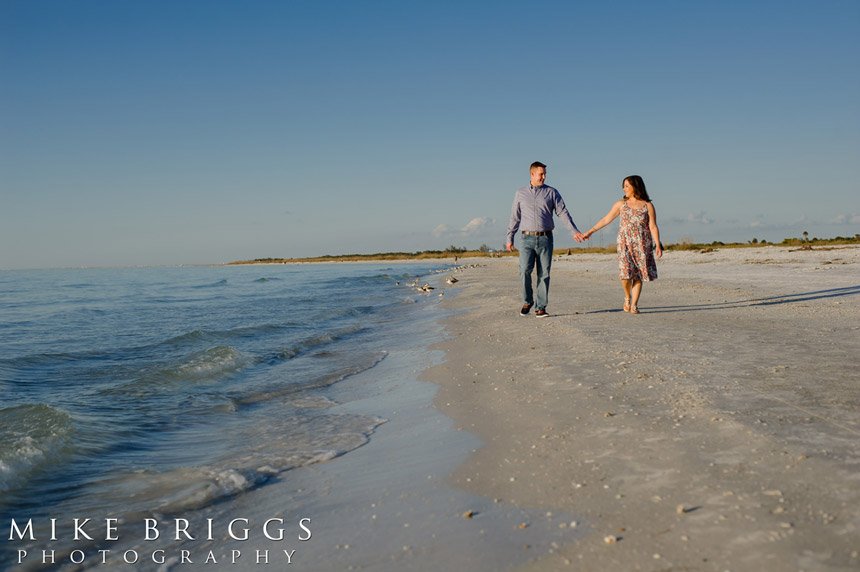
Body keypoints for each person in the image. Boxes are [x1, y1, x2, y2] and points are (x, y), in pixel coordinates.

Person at [506, 161, 585, 317]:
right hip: (526, 239)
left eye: (545, 174)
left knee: (544, 274)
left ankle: (540, 306)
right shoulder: (520, 193)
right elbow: (515, 217)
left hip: (546, 238)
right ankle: (528, 300)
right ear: (532, 174)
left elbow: (563, 213)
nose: (544, 177)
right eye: (541, 174)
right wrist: (510, 238)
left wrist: (574, 231)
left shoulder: (552, 192)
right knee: (524, 271)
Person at [583, 175, 662, 314]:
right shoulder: (621, 204)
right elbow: (606, 219)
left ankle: (634, 305)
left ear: (635, 187)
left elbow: (653, 226)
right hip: (625, 243)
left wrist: (658, 245)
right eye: (623, 186)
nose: (624, 188)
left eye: (627, 186)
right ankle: (627, 296)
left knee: (638, 275)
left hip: (642, 244)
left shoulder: (648, 205)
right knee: (625, 275)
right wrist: (590, 231)